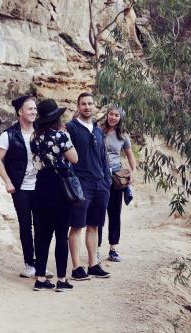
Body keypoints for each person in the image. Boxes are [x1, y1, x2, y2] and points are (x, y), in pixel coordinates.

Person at [0, 95, 48, 279]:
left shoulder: (41, 132)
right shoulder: (8, 135)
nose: (34, 112)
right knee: (26, 225)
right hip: (21, 187)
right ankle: (29, 264)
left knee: (41, 225)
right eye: (30, 109)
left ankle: (41, 265)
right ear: (20, 112)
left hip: (41, 186)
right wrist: (8, 181)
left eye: (35, 109)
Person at [31, 99, 78, 291]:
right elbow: (74, 158)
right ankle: (61, 279)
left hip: (41, 187)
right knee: (61, 236)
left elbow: (35, 163)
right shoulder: (61, 136)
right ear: (56, 118)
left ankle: (40, 279)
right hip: (60, 189)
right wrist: (67, 138)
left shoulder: (34, 137)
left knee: (43, 236)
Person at [66, 92, 112, 280]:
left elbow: (103, 157)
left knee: (94, 226)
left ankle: (93, 264)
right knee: (77, 226)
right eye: (83, 104)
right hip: (81, 183)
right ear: (78, 107)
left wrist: (106, 182)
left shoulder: (99, 130)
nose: (87, 107)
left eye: (90, 104)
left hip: (100, 184)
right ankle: (77, 267)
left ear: (94, 106)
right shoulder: (71, 128)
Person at [97, 106, 136, 262]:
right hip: (99, 176)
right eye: (111, 114)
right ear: (107, 115)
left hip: (116, 178)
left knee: (114, 214)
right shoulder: (98, 131)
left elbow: (130, 156)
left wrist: (133, 172)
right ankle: (96, 248)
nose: (113, 117)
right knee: (98, 214)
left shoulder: (122, 136)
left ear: (120, 118)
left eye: (116, 115)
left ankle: (113, 249)